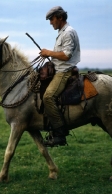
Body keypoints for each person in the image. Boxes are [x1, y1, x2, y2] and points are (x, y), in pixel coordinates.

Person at [40, 6, 81, 147]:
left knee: (48, 97)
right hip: (59, 69)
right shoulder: (62, 32)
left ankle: (59, 134)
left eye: (52, 19)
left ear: (60, 17)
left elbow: (66, 55)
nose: (51, 22)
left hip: (64, 72)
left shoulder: (68, 32)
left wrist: (49, 53)